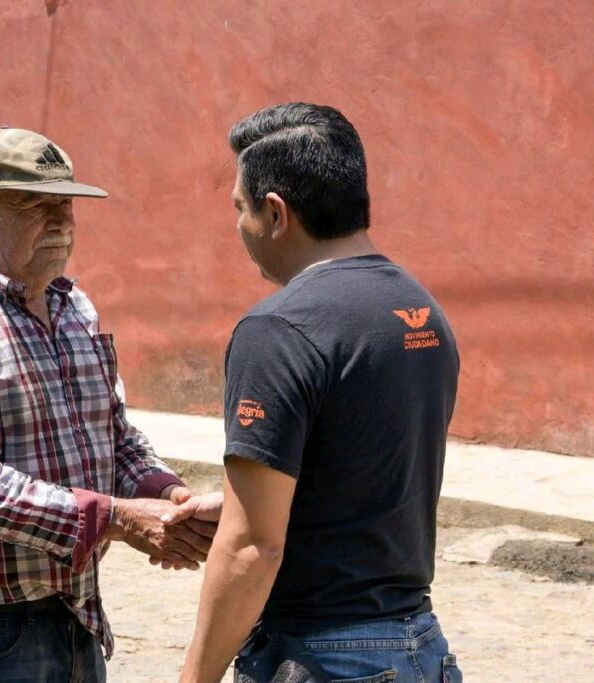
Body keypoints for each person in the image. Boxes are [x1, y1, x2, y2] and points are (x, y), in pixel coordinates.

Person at [0, 127, 214, 683]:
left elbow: (114, 437)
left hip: (76, 610)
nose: (59, 219)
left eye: (65, 203)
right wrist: (118, 518)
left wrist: (167, 496)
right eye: (31, 203)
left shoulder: (71, 304)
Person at [174, 103, 463, 682]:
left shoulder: (277, 329)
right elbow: (363, 469)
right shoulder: (419, 310)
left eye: (239, 207)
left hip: (323, 656)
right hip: (419, 647)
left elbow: (254, 547)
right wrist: (240, 498)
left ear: (276, 214)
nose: (239, 226)